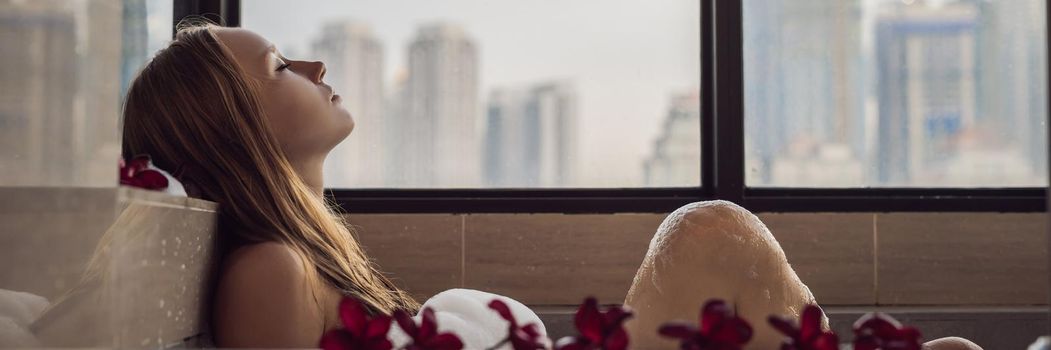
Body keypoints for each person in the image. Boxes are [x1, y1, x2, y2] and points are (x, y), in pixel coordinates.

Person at [121, 22, 982, 349]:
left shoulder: (294, 256)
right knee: (709, 231)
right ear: (237, 124)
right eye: (279, 67)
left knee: (710, 232)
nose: (311, 63)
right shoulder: (266, 269)